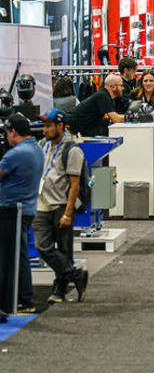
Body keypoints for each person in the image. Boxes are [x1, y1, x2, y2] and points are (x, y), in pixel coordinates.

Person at [34, 108, 90, 304]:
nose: (45, 129)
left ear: (60, 126)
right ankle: (76, 275)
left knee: (65, 249)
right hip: (42, 204)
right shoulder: (43, 145)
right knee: (42, 246)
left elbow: (74, 185)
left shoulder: (72, 150)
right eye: (44, 125)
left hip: (61, 205)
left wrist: (68, 213)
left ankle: (59, 289)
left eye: (49, 126)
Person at [0, 114, 44, 312]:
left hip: (13, 212)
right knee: (19, 254)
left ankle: (25, 300)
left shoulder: (16, 154)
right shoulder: (36, 148)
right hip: (26, 208)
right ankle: (20, 298)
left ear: (13, 132)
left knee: (18, 257)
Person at [67, 73, 126, 137]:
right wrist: (130, 117)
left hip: (79, 127)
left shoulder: (106, 96)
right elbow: (115, 119)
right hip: (71, 128)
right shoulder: (103, 96)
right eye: (121, 85)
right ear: (113, 87)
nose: (123, 88)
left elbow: (107, 117)